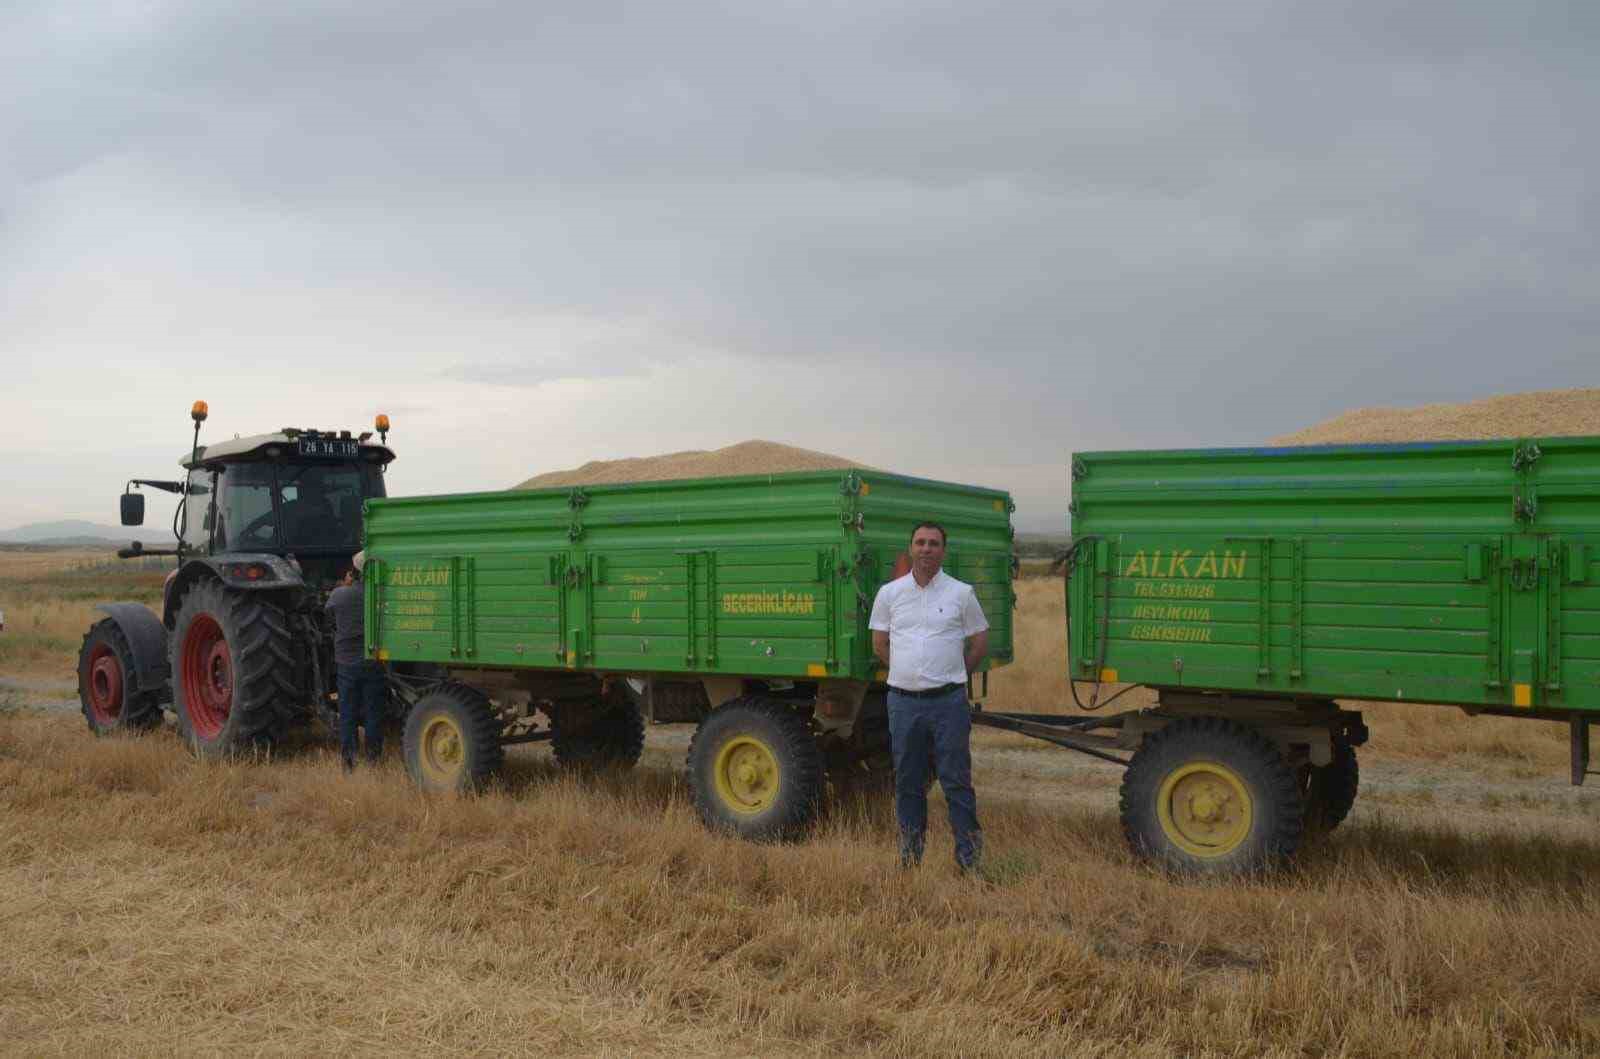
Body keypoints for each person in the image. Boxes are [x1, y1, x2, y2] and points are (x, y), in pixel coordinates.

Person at [869, 521, 990, 871]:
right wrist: (910, 674)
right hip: (903, 704)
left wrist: (952, 674)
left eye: (933, 543)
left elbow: (979, 642)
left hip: (948, 704)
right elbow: (879, 645)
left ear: (943, 551)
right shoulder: (890, 594)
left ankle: (968, 862)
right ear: (911, 548)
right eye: (920, 542)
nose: (926, 549)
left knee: (956, 781)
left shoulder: (961, 594)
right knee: (908, 781)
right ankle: (910, 859)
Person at [326, 550, 385, 768]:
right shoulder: (377, 595)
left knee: (348, 712)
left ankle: (348, 761)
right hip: (372, 662)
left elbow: (328, 617)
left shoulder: (339, 595)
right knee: (372, 711)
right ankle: (373, 758)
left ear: (353, 573)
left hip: (346, 664)